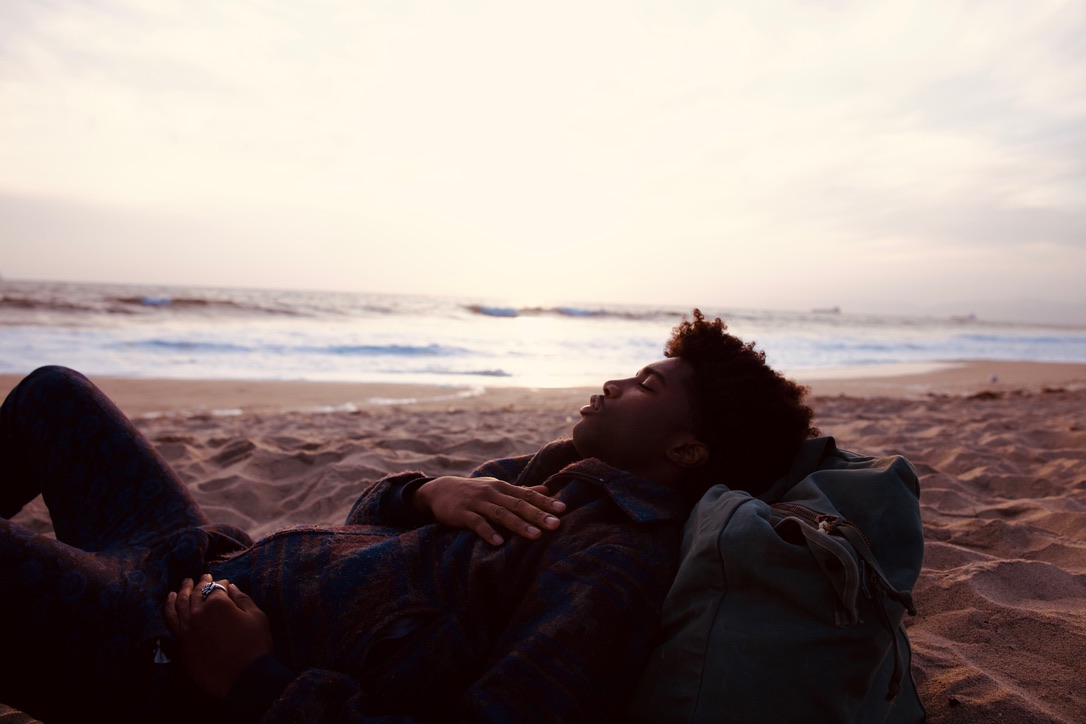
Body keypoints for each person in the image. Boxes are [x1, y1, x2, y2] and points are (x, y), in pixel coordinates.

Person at [0, 310, 816, 723]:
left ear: (684, 452)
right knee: (51, 394)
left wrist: (255, 680)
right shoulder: (550, 478)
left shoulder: (610, 562)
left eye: (646, 384)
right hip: (198, 560)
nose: (613, 383)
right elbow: (370, 527)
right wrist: (424, 490)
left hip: (164, 656)